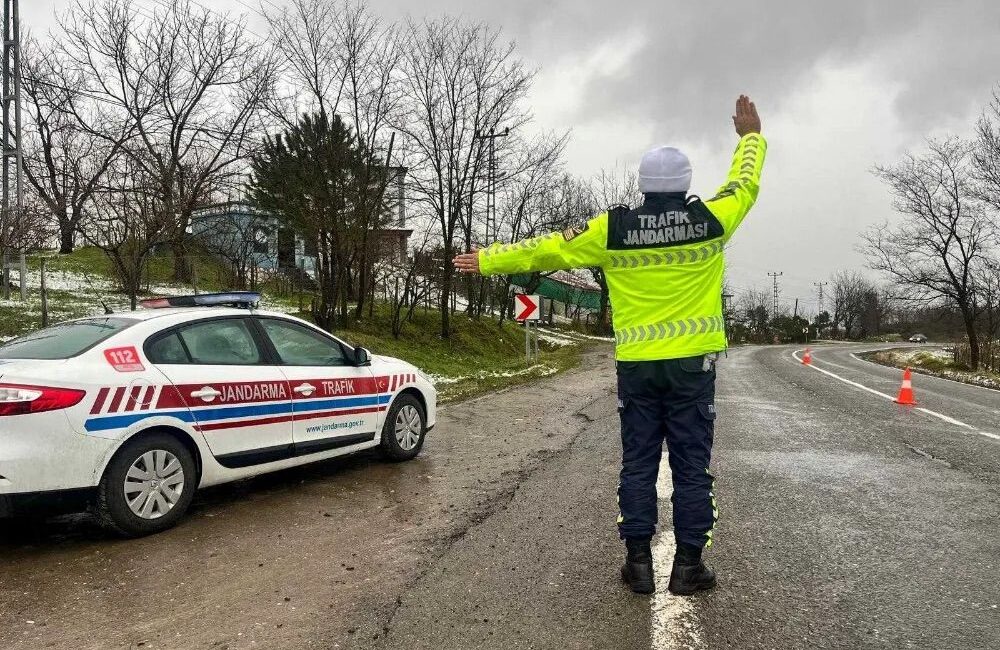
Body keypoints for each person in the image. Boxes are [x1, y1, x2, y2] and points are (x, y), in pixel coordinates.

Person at [453, 95, 765, 595]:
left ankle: (638, 564)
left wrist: (488, 259)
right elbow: (744, 185)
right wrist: (749, 137)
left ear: (642, 186)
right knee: (691, 466)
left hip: (637, 367)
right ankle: (688, 566)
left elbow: (550, 245)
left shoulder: (612, 228)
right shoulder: (713, 220)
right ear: (685, 185)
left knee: (639, 462)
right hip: (692, 367)